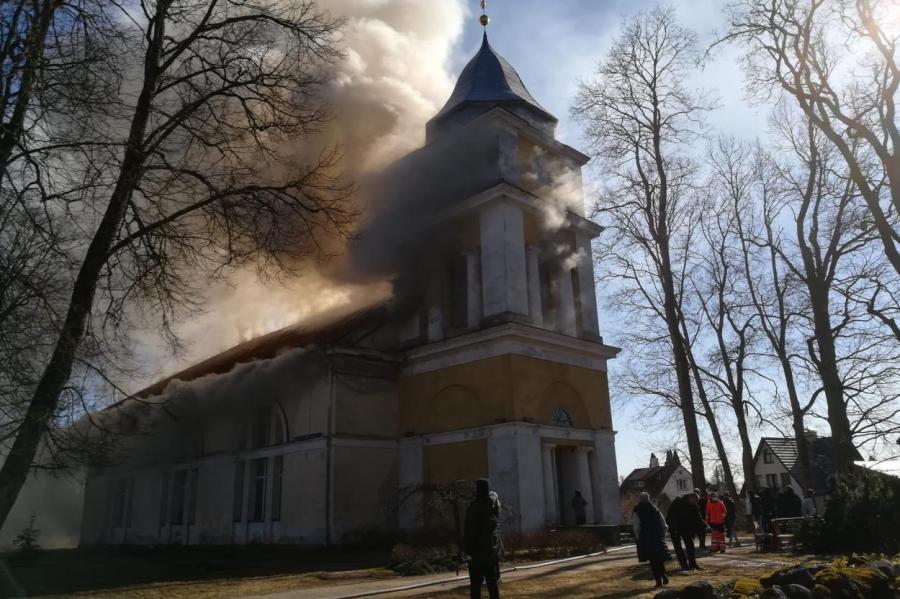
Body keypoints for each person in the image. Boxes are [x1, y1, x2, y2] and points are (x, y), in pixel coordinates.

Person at [464, 479, 502, 599]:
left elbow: (470, 532)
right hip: (490, 551)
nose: (473, 489)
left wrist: (466, 550)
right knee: (492, 583)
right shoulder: (492, 504)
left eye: (475, 487)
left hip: (477, 553)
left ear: (479, 489)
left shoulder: (476, 507)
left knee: (475, 585)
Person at [633, 492, 671, 588]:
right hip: (657, 537)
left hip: (645, 538)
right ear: (648, 498)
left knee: (653, 561)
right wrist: (663, 536)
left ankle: (658, 581)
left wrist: (638, 537)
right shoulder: (655, 509)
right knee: (659, 559)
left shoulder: (637, 510)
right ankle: (664, 576)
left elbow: (636, 526)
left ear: (640, 499)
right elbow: (664, 525)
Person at [666, 492, 705, 571]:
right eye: (694, 501)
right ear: (690, 497)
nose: (695, 503)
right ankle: (684, 565)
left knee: (690, 546)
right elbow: (670, 516)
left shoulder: (693, 505)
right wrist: (674, 528)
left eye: (696, 501)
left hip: (687, 528)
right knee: (678, 548)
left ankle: (693, 564)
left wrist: (704, 526)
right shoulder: (677, 502)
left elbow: (698, 518)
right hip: (675, 529)